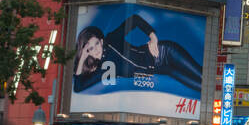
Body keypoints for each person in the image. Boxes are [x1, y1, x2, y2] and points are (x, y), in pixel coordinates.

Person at [73, 13, 202, 96]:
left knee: (202, 76)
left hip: (165, 52)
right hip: (164, 69)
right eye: (89, 49)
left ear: (101, 41)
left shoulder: (112, 39)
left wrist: (152, 36)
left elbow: (134, 19)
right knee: (202, 87)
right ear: (87, 53)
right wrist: (82, 57)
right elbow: (78, 87)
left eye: (96, 43)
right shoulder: (104, 70)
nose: (95, 49)